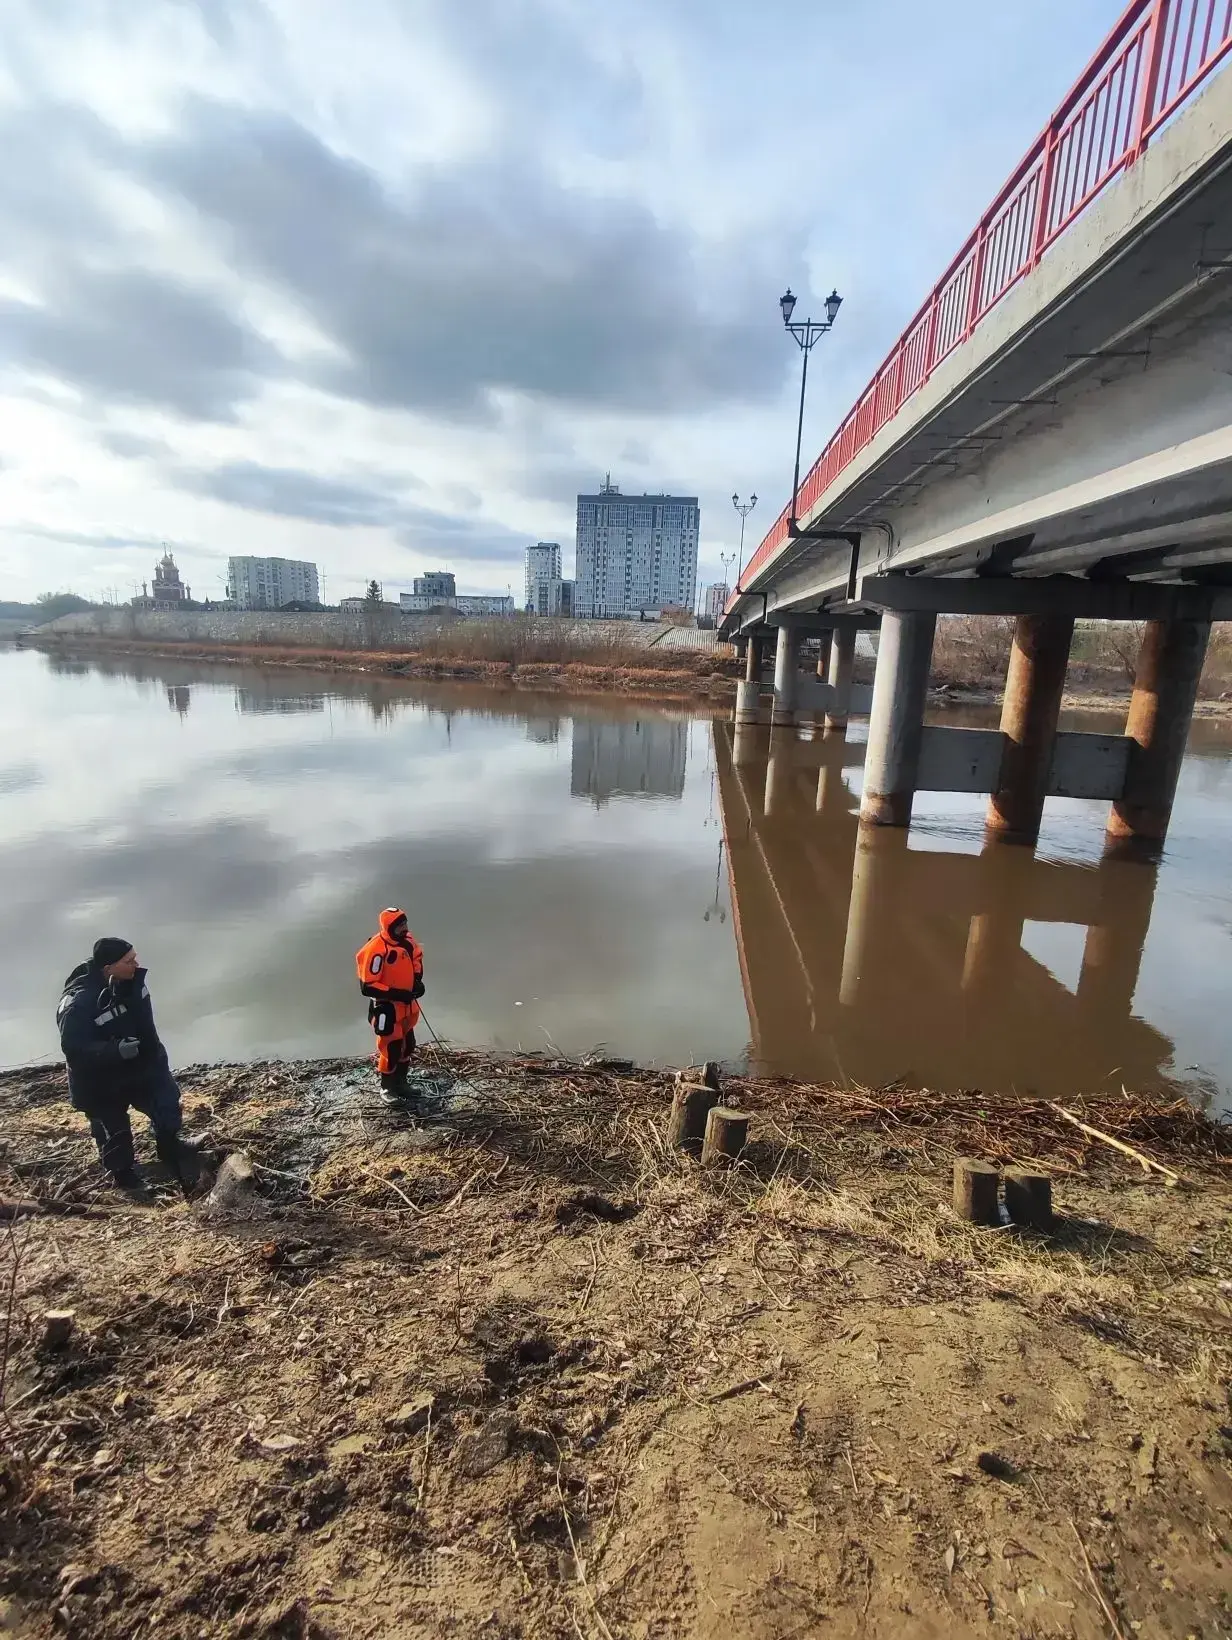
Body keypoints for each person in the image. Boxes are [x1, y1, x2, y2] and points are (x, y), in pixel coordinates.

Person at [56, 938, 201, 1197]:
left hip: (141, 1066)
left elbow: (146, 1025)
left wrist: (153, 1059)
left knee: (166, 1104)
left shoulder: (133, 983)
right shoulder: (79, 1003)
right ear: (108, 967)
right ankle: (127, 1181)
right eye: (129, 960)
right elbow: (74, 1049)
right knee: (114, 1133)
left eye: (135, 957)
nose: (136, 964)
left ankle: (171, 1148)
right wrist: (115, 1051)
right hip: (99, 1081)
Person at [355, 908, 425, 1104]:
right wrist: (397, 994)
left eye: (405, 924)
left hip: (408, 1005)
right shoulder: (376, 950)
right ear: (389, 927)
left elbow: (417, 960)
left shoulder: (408, 941)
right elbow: (368, 986)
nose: (404, 928)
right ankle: (387, 1088)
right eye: (400, 926)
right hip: (388, 1008)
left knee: (408, 1045)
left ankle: (402, 1083)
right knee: (392, 1048)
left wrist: (418, 982)